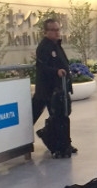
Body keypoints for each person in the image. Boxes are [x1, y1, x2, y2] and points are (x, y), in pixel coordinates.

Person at [32, 19, 77, 153]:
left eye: (58, 29)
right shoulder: (44, 47)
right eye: (54, 30)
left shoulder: (56, 45)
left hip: (59, 88)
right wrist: (56, 71)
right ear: (46, 32)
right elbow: (42, 67)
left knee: (62, 116)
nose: (57, 32)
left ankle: (64, 144)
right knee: (57, 116)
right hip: (48, 89)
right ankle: (53, 139)